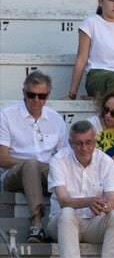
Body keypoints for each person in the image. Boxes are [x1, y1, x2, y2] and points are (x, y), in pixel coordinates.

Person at [45, 118, 114, 258]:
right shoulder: (58, 160)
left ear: (95, 141)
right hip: (61, 223)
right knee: (67, 213)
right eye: (79, 144)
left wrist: (102, 206)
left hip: (92, 222)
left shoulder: (106, 162)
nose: (84, 149)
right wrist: (89, 201)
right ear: (70, 143)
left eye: (89, 143)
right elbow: (63, 201)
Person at [0, 69, 67, 242]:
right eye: (31, 95)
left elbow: (65, 157)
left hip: (45, 176)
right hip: (13, 174)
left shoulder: (56, 119)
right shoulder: (7, 115)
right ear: (24, 93)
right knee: (31, 165)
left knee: (61, 171)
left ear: (48, 95)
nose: (36, 100)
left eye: (42, 96)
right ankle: (37, 225)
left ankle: (63, 224)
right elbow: (2, 158)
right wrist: (35, 165)